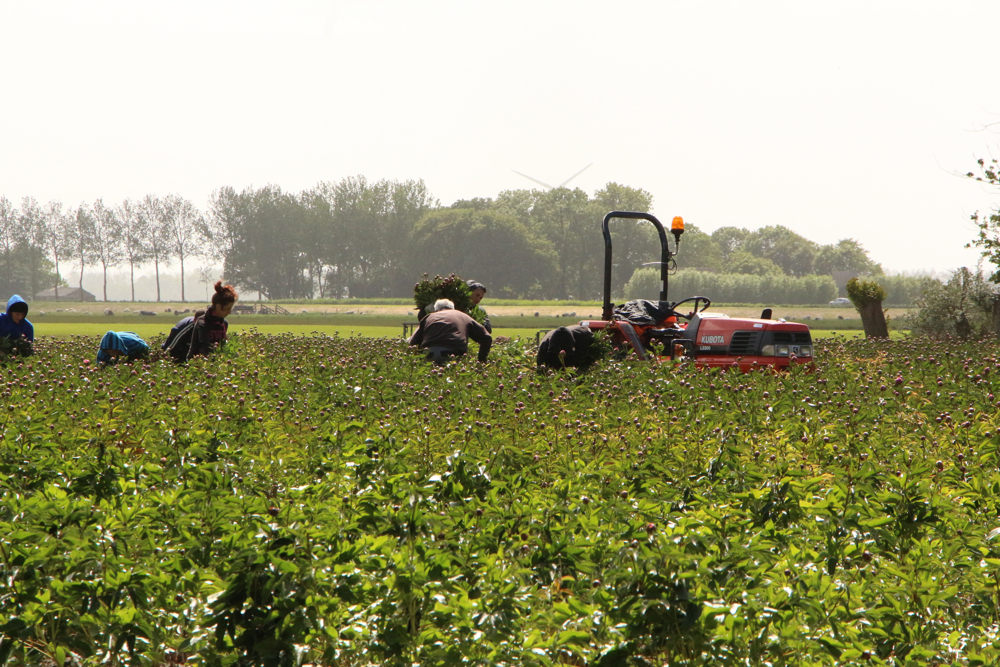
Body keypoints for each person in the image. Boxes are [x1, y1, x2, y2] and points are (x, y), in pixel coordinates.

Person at [163, 281, 237, 361]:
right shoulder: (202, 323)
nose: (229, 312)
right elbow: (205, 347)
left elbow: (223, 345)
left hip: (212, 363)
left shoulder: (224, 323)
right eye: (227, 309)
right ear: (218, 306)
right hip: (196, 363)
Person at [409, 298, 492, 363]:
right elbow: (486, 337)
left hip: (430, 352)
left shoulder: (429, 317)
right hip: (453, 352)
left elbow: (412, 342)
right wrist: (481, 361)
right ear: (453, 308)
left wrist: (418, 358)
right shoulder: (463, 316)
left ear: (436, 310)